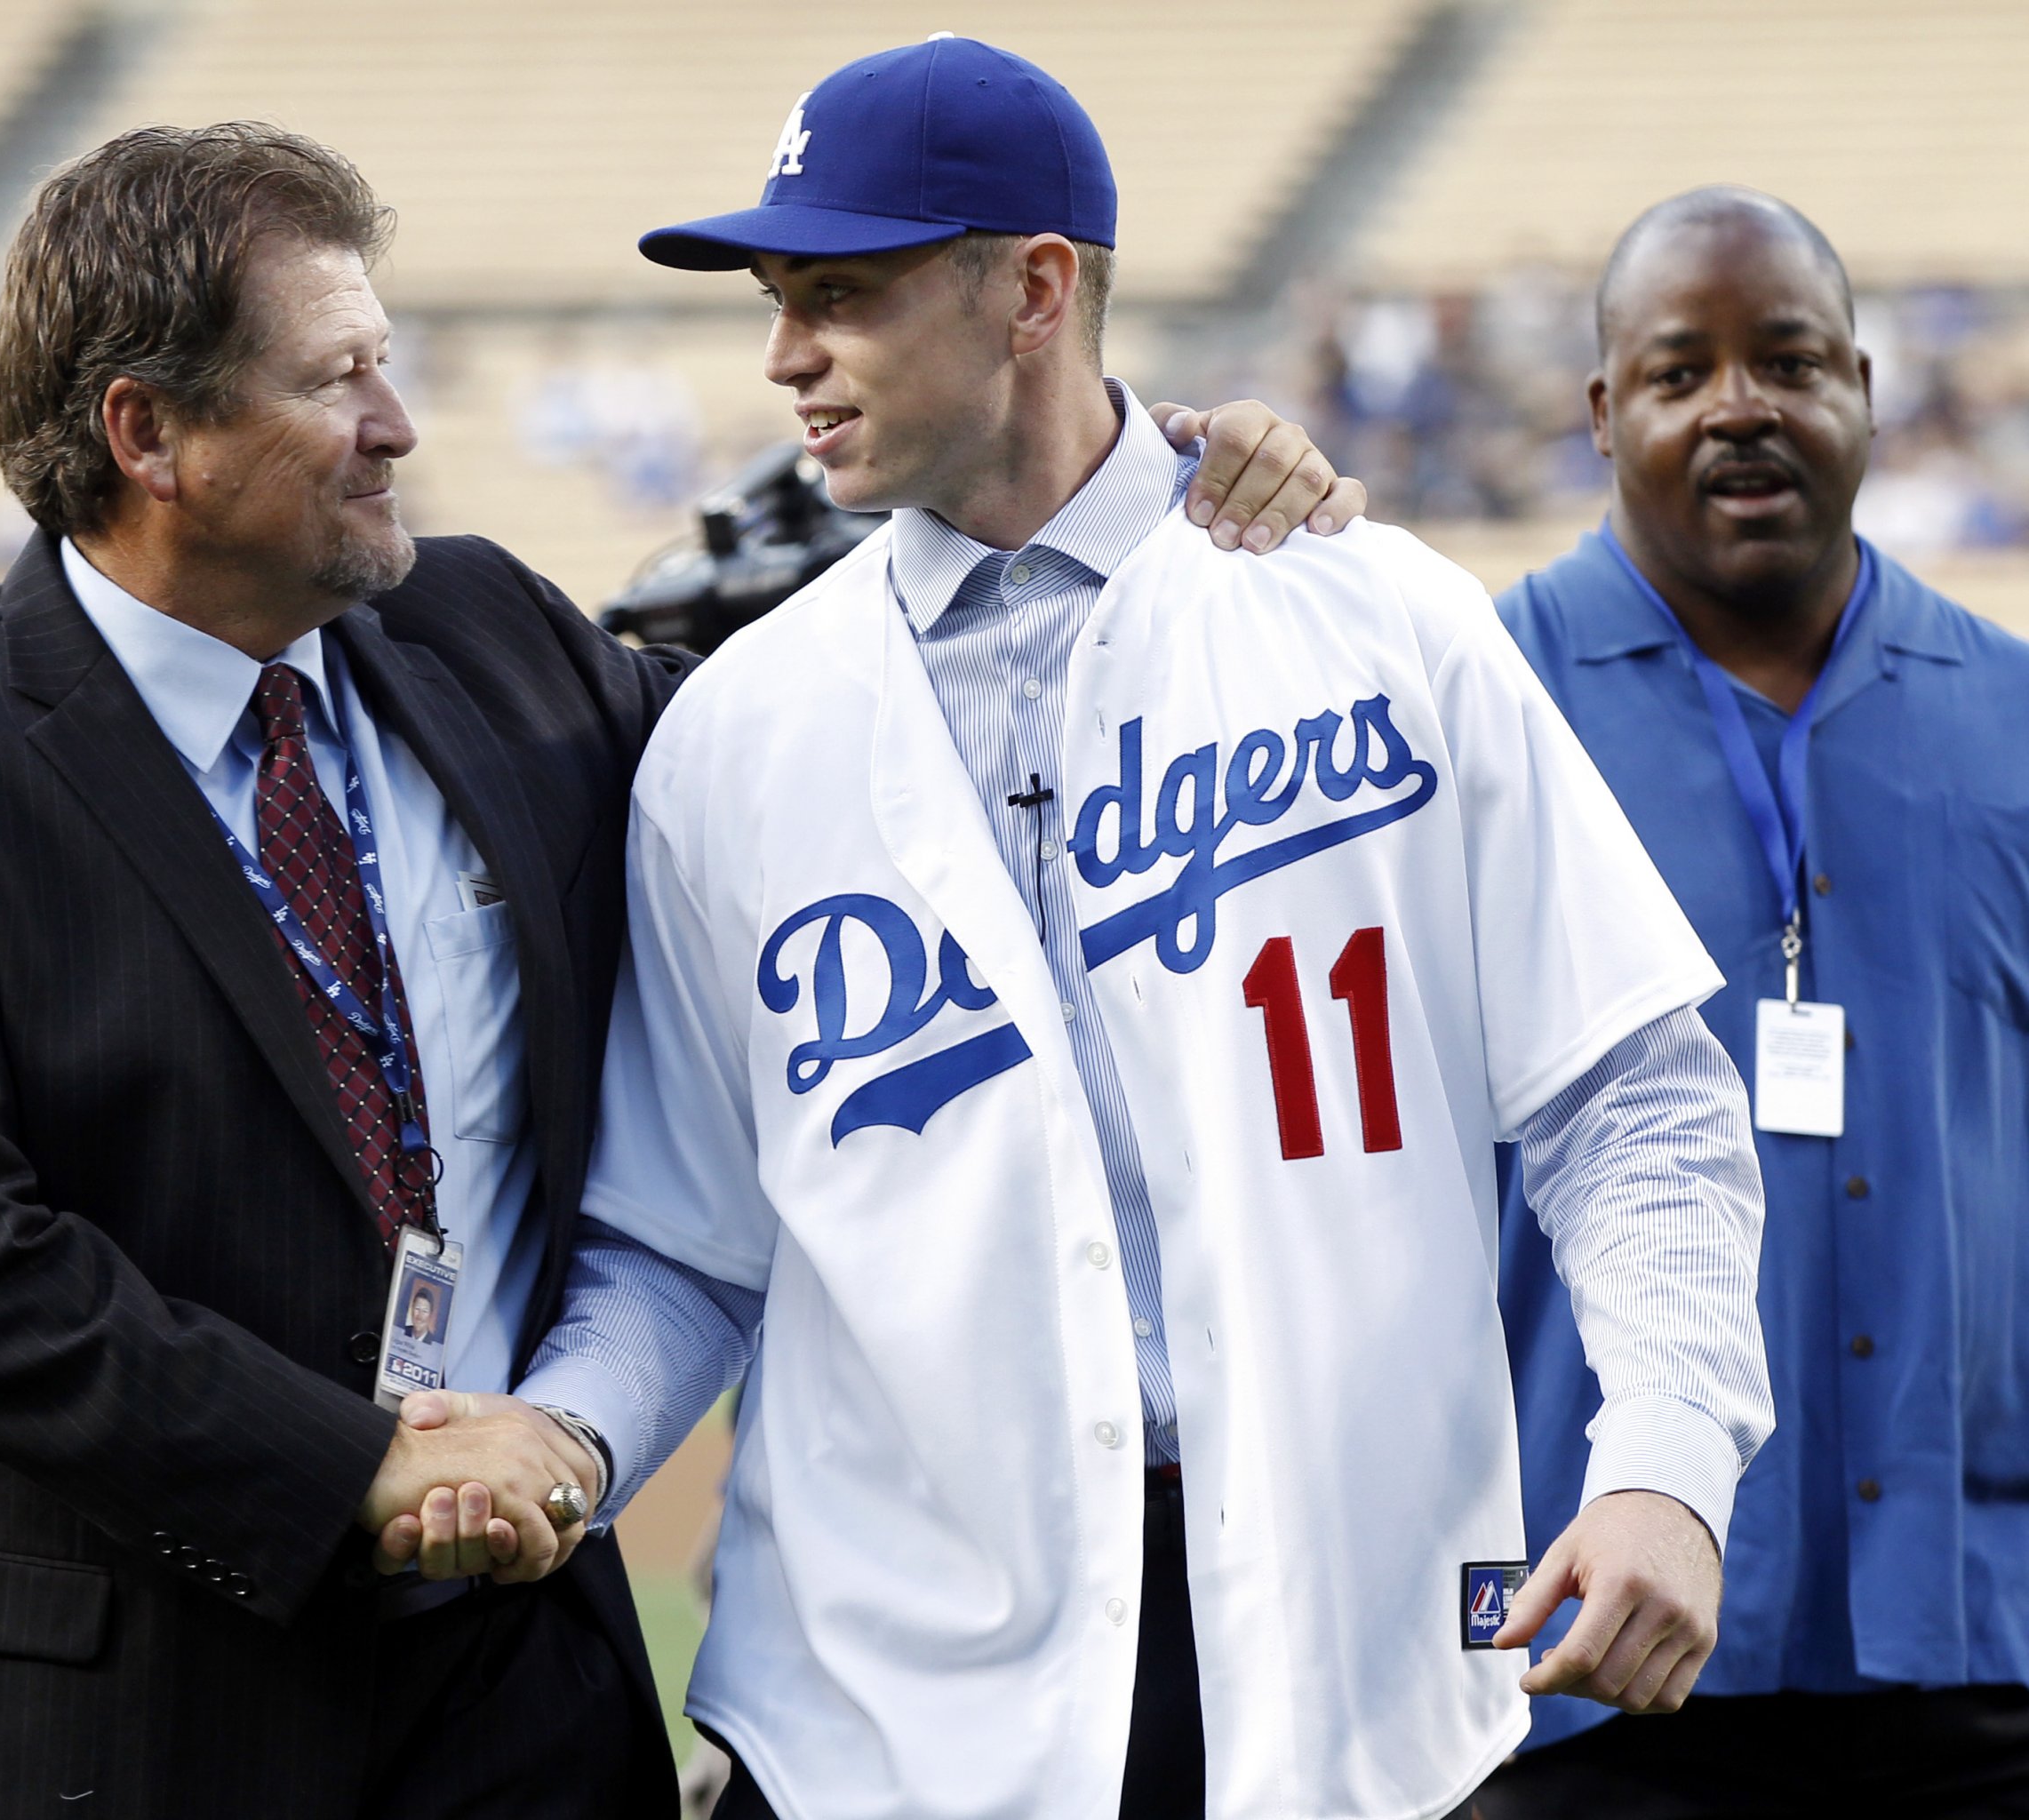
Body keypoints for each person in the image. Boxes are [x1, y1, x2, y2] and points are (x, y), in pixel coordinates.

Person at [0, 121, 1356, 1818]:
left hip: (514, 1688)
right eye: (340, 376)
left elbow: (860, 698)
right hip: (106, 1717)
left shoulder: (484, 629)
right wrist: (359, 1468)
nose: (398, 425)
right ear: (151, 435)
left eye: (392, 361)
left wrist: (1153, 475)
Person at [385, 37, 1777, 1820]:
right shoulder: (736, 734)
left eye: (843, 294)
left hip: (1345, 1670)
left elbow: (1632, 1098)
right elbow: (686, 1243)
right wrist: (559, 1443)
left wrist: (1665, 1459)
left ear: (1036, 288)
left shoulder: (1380, 623)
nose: (784, 353)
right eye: (775, 299)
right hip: (884, 1712)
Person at [1477, 188, 2029, 1818]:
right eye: (1678, 372)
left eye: (1789, 361)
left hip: (1978, 1638)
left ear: (1864, 384)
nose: (1740, 407)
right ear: (1600, 413)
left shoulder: (2011, 712)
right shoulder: (1476, 710)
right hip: (1592, 1634)